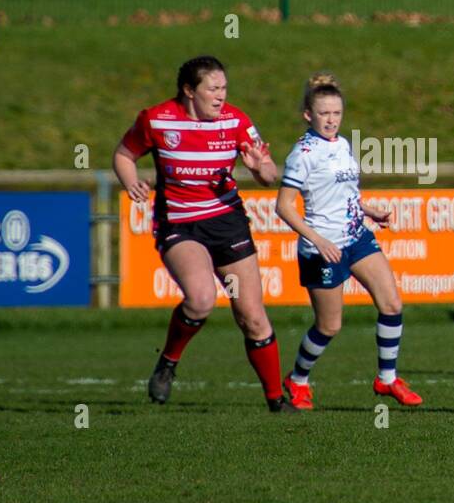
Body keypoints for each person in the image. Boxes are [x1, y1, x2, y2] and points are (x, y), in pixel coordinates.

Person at [113, 55, 298, 413]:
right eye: (212, 89)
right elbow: (124, 154)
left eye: (224, 88)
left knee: (253, 317)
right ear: (188, 91)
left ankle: (276, 400)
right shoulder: (156, 119)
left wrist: (261, 168)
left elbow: (270, 174)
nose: (220, 96)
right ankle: (168, 362)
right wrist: (131, 181)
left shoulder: (236, 120)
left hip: (227, 224)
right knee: (200, 298)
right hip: (180, 225)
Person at [273, 73, 421, 410]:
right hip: (321, 249)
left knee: (392, 304)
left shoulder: (342, 145)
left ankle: (386, 380)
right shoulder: (303, 153)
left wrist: (369, 211)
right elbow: (283, 206)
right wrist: (318, 239)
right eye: (324, 113)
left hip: (356, 237)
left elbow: (346, 193)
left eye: (336, 113)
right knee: (329, 326)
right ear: (308, 114)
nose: (331, 120)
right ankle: (297, 380)